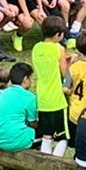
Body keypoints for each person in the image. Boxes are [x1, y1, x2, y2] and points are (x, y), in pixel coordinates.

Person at [31, 15, 71, 156]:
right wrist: (69, 61)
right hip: (57, 100)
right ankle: (55, 166)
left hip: (42, 99)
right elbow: (64, 72)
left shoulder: (36, 48)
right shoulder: (58, 48)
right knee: (63, 137)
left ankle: (44, 166)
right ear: (57, 35)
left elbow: (48, 63)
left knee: (46, 136)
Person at [0, 62, 39, 152]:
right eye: (30, 78)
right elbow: (33, 123)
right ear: (25, 79)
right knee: (43, 136)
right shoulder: (30, 97)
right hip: (16, 140)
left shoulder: (4, 93)